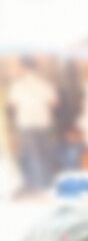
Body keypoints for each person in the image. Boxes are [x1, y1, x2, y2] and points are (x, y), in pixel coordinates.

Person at [6, 56, 58, 194]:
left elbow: (12, 105)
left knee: (33, 154)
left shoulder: (17, 85)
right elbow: (54, 103)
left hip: (26, 123)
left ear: (23, 68)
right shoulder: (45, 84)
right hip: (44, 122)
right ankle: (47, 183)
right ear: (36, 67)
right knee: (45, 153)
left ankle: (39, 185)